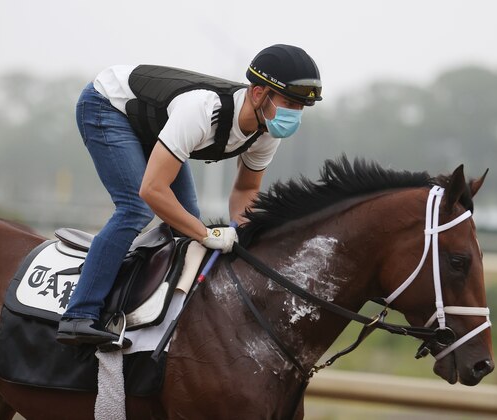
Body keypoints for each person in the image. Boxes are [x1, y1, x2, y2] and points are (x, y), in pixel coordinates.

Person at [56, 44, 322, 346]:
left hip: (151, 122)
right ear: (259, 93)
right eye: (290, 102)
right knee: (136, 208)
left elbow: (246, 189)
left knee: (186, 219)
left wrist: (243, 238)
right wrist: (206, 234)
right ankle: (79, 315)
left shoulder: (265, 133)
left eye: (301, 108)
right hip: (108, 104)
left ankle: (155, 313)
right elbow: (152, 190)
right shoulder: (202, 110)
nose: (295, 115)